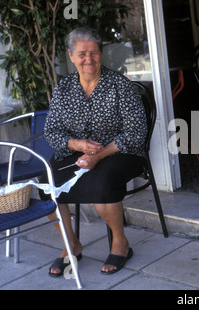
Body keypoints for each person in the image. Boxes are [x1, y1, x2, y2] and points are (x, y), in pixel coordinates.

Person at [42, 27, 148, 276]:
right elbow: (52, 131)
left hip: (120, 151)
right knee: (48, 186)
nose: (88, 59)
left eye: (94, 52)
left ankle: (120, 242)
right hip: (76, 152)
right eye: (82, 53)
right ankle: (71, 245)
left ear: (101, 54)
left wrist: (98, 155)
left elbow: (136, 132)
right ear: (71, 55)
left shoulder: (119, 85)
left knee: (102, 186)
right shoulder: (64, 89)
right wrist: (78, 145)